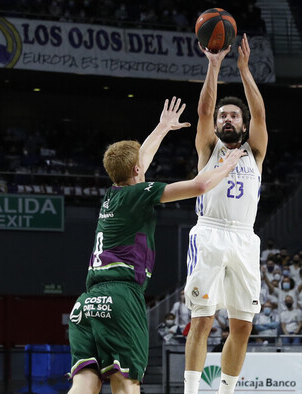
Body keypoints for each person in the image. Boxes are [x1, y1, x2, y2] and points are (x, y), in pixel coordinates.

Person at [68, 97, 243, 394]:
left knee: (85, 383)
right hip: (121, 297)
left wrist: (162, 128)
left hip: (86, 303)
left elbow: (139, 162)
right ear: (137, 170)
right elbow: (199, 186)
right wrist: (227, 165)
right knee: (126, 383)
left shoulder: (114, 193)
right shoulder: (137, 194)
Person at [183, 34, 268, 394]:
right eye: (223, 116)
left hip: (245, 238)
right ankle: (190, 391)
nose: (227, 118)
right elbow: (203, 110)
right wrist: (214, 66)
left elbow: (260, 112)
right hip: (210, 233)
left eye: (234, 115)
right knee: (202, 320)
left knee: (243, 326)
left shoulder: (256, 151)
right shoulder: (208, 148)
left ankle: (226, 392)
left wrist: (245, 70)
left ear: (243, 124)